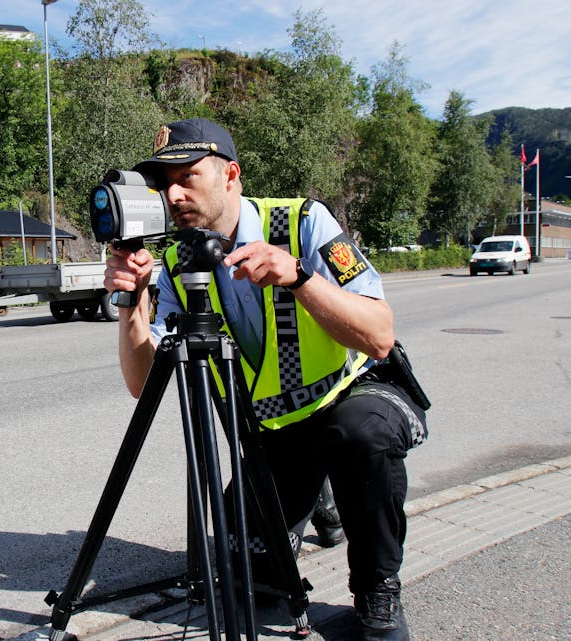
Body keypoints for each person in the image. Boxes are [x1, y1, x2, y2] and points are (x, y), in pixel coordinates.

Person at [104, 118, 427, 641]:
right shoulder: (174, 262)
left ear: (230, 174)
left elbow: (379, 335)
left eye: (188, 177)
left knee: (358, 435)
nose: (174, 193)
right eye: (166, 184)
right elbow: (142, 385)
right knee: (248, 586)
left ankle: (377, 592)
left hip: (355, 395)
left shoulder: (304, 222)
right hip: (275, 435)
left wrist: (299, 276)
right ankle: (316, 497)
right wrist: (131, 305)